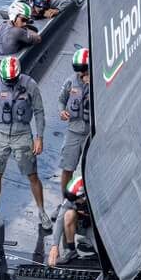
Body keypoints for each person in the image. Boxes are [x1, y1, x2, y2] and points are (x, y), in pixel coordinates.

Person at [0, 56, 51, 231]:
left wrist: (39, 137)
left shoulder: (30, 84)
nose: (9, 82)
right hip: (0, 133)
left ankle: (42, 212)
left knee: (32, 174)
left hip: (22, 133)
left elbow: (39, 111)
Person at [58, 47, 90, 191]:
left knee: (90, 169)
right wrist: (62, 111)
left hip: (91, 132)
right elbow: (61, 100)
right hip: (74, 131)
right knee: (67, 167)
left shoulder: (97, 81)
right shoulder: (70, 82)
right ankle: (65, 199)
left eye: (83, 69)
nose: (81, 73)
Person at [47, 175, 95, 266]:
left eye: (75, 199)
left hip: (97, 226)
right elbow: (59, 221)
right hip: (84, 224)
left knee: (103, 252)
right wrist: (54, 245)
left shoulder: (97, 197)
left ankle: (91, 240)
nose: (73, 202)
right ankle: (71, 249)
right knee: (68, 214)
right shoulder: (71, 199)